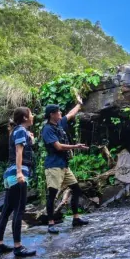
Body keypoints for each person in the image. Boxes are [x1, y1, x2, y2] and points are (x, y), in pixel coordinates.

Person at [41, 95, 89, 234]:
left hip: (63, 165)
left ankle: (75, 218)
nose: (61, 113)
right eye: (58, 112)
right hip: (53, 166)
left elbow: (70, 114)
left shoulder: (59, 123)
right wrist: (76, 146)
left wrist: (79, 104)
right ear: (52, 114)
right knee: (52, 194)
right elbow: (58, 147)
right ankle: (50, 224)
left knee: (76, 189)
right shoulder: (47, 129)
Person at [0, 107, 37, 258]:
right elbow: (19, 152)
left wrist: (30, 139)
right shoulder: (20, 131)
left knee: (6, 211)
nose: (33, 116)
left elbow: (23, 148)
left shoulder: (18, 131)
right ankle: (18, 248)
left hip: (10, 175)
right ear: (25, 118)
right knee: (19, 210)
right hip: (17, 174)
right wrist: (20, 173)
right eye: (31, 114)